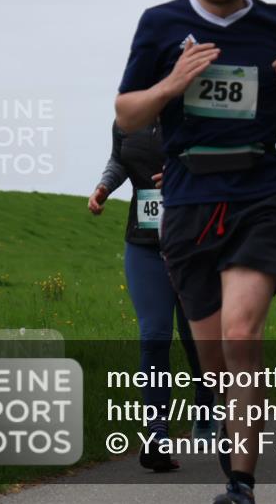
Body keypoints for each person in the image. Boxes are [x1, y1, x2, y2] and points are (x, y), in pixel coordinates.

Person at [114, 0, 276, 504]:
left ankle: (242, 482)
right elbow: (126, 113)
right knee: (213, 358)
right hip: (187, 197)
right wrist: (173, 84)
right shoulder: (160, 24)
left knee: (240, 335)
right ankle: (232, 442)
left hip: (260, 190)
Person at [88, 122, 213, 472]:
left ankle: (205, 405)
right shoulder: (126, 120)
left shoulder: (198, 112)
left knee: (196, 337)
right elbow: (119, 160)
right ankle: (156, 435)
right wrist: (103, 187)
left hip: (196, 243)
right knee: (154, 336)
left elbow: (230, 168)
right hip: (144, 243)